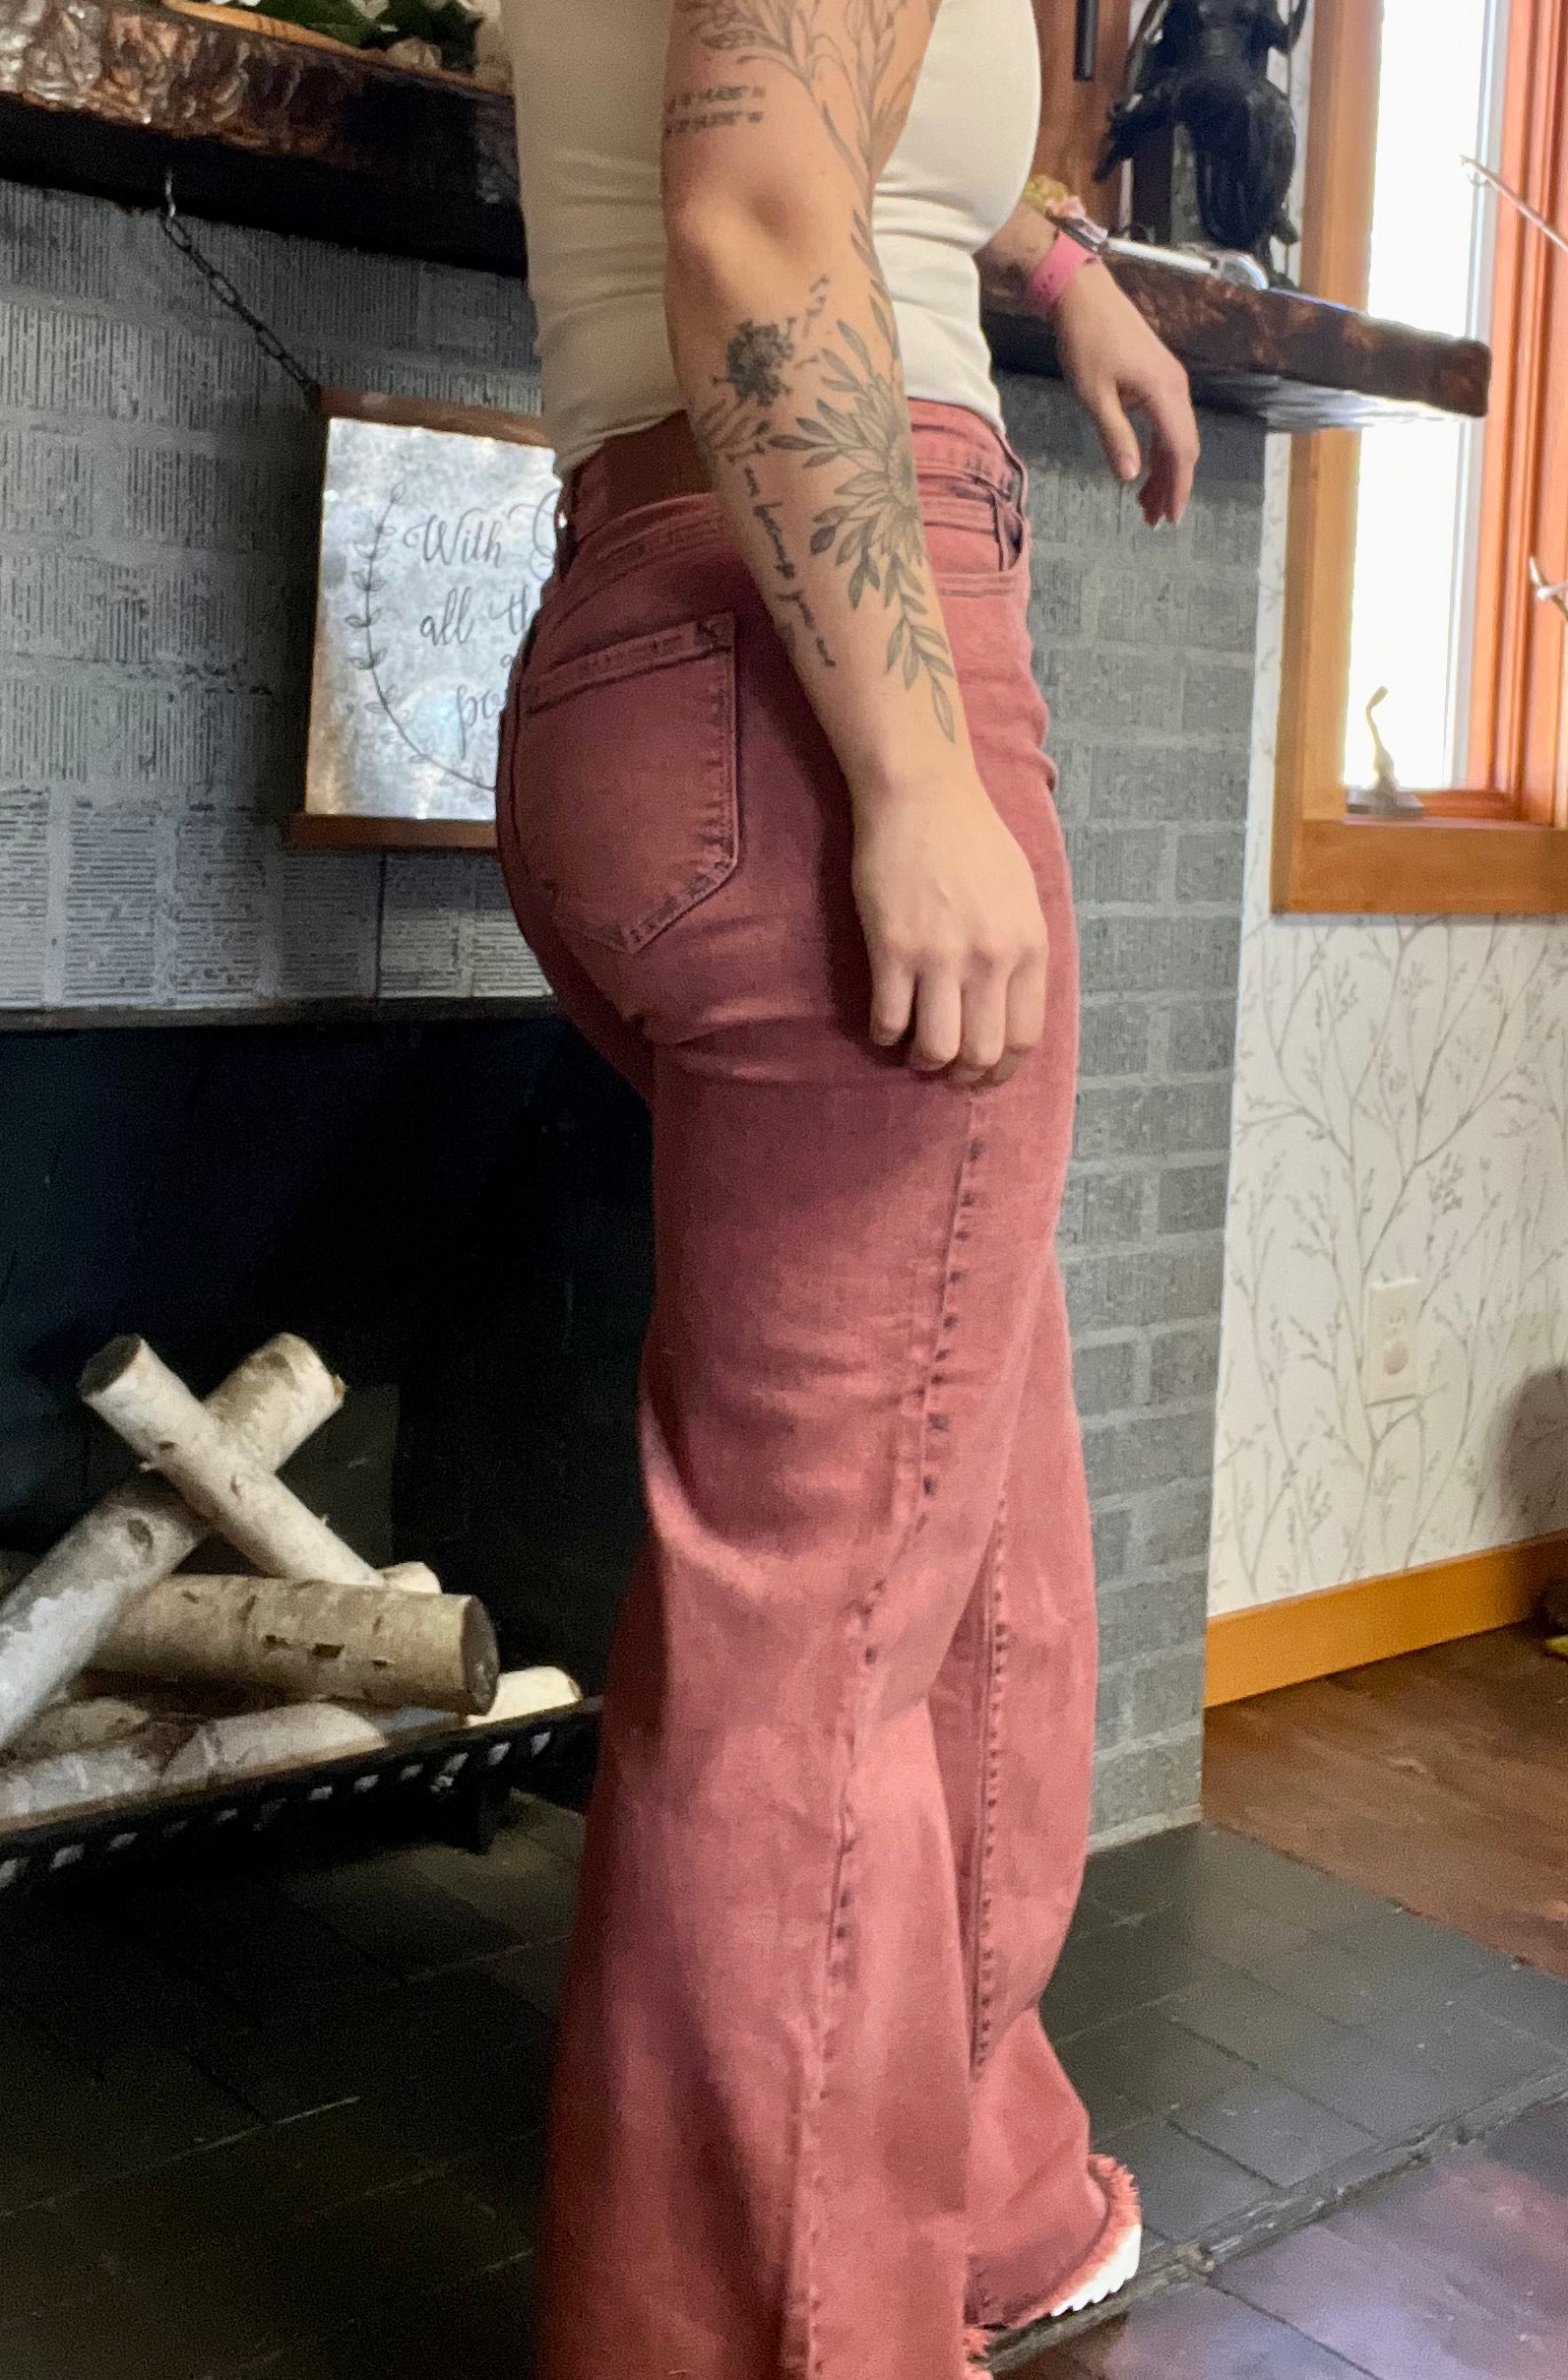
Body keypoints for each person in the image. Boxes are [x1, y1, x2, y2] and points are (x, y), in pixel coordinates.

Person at [494, 4, 1200, 2375]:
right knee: (815, 1632)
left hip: (662, 633)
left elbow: (811, 114)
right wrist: (908, 777)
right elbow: (753, 206)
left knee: (972, 1506)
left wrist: (1060, 262)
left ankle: (978, 2198)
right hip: (821, 663)